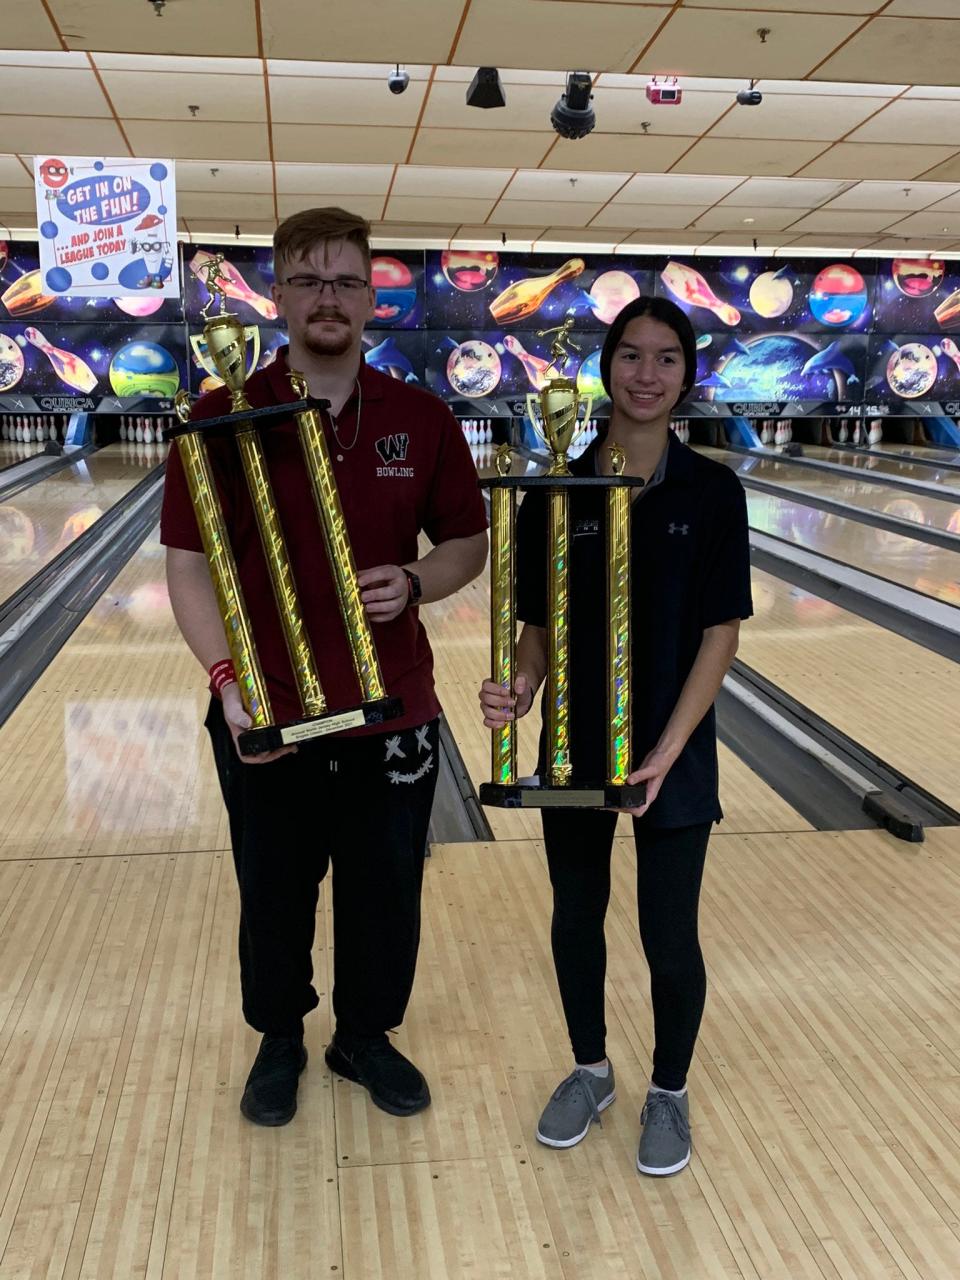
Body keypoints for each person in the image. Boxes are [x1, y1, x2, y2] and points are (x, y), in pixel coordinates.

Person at [162, 207, 488, 1126]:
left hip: (393, 710)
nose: (329, 298)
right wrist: (227, 685)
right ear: (277, 293)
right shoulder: (219, 414)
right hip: (263, 711)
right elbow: (189, 563)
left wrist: (419, 580)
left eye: (347, 280)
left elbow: (470, 538)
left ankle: (365, 1036)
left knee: (386, 891)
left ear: (371, 292)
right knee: (272, 889)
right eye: (308, 280)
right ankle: (279, 1038)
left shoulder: (420, 418)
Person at [479, 296, 752, 1176]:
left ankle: (668, 1090)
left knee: (669, 935)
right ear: (605, 369)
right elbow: (535, 622)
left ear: (687, 372)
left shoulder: (714, 492)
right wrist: (519, 688)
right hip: (576, 740)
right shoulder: (557, 485)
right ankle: (591, 1070)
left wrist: (669, 753)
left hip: (674, 746)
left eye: (665, 358)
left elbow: (720, 634)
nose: (646, 374)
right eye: (630, 356)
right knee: (576, 916)